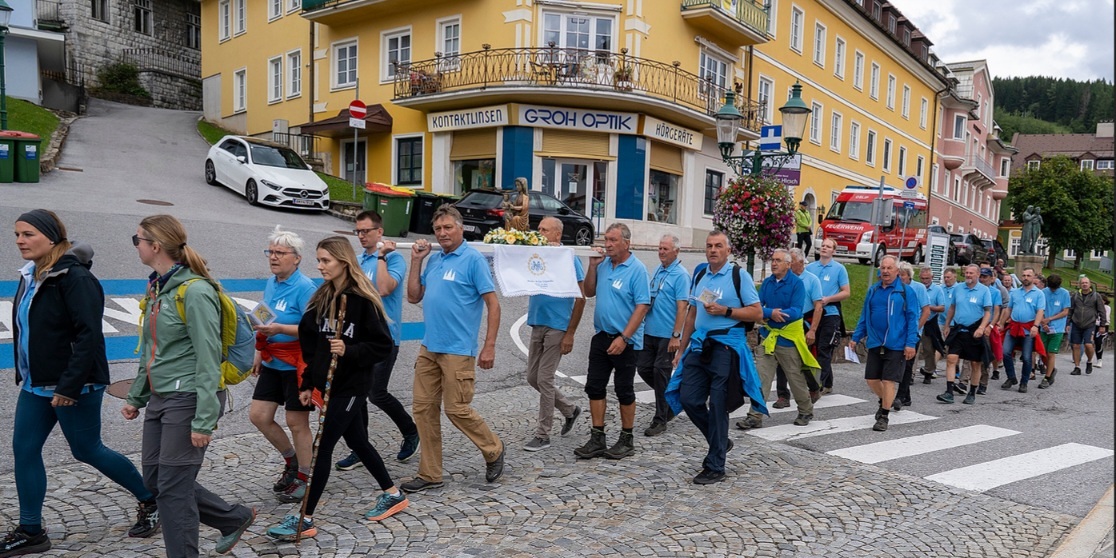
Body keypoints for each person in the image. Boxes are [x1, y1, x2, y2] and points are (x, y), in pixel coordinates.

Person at [3, 210, 160, 558]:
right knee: (24, 450)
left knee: (86, 449)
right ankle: (31, 531)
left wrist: (69, 386)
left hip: (75, 385)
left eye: (28, 234)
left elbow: (89, 337)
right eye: (17, 234)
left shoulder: (75, 278)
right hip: (37, 383)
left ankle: (151, 499)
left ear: (51, 237)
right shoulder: (31, 274)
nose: (20, 241)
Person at [121, 215, 254, 558]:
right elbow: (151, 349)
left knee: (173, 490)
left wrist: (204, 419)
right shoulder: (158, 288)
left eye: (137, 240)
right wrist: (137, 396)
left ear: (155, 246)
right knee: (155, 480)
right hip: (161, 396)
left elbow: (208, 357)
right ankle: (232, 518)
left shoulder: (194, 291)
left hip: (190, 397)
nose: (135, 246)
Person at [265, 236, 408, 541]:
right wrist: (308, 382)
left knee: (322, 448)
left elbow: (382, 346)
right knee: (357, 441)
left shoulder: (362, 300)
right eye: (319, 260)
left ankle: (304, 517)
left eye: (326, 260)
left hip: (353, 386)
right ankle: (393, 493)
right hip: (330, 385)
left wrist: (350, 350)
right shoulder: (322, 297)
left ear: (343, 262)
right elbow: (312, 344)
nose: (320, 266)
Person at [403, 204, 505, 492]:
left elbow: (493, 305)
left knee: (457, 409)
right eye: (438, 229)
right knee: (423, 409)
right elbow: (413, 297)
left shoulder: (473, 260)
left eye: (448, 227)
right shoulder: (435, 259)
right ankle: (430, 473)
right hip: (429, 347)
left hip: (458, 350)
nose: (442, 233)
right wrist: (416, 261)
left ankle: (494, 449)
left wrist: (489, 346)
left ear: (461, 229)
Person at [668, 230, 765, 484]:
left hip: (725, 347)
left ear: (728, 250)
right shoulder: (701, 274)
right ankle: (720, 440)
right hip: (700, 346)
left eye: (718, 246)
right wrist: (681, 349)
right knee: (688, 398)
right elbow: (692, 314)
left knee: (719, 404)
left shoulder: (738, 276)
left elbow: (757, 313)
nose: (713, 250)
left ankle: (715, 465)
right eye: (709, 245)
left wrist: (726, 311)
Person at [336, 211, 420, 470]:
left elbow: (384, 289)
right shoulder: (359, 260)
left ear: (379, 232)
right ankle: (360, 448)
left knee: (376, 393)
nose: (361, 236)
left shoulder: (394, 259)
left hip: (384, 337)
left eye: (366, 231)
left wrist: (382, 255)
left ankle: (410, 431)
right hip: (357, 338)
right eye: (358, 232)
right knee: (356, 393)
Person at [248, 226, 316, 504]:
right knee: (259, 416)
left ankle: (304, 477)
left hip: (297, 363)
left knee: (296, 422)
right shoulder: (272, 282)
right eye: (271, 252)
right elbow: (265, 316)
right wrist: (259, 349)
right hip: (273, 359)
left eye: (280, 253)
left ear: (296, 258)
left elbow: (314, 330)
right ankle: (291, 461)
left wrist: (281, 329)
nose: (273, 257)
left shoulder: (305, 288)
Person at [574, 223, 650, 460]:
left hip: (626, 340)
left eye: (613, 240)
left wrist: (625, 337)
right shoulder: (604, 264)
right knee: (594, 386)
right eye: (606, 239)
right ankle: (598, 437)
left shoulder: (637, 269)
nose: (607, 244)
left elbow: (642, 306)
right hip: (602, 336)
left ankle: (627, 439)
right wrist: (593, 267)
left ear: (626, 243)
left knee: (624, 389)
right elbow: (589, 291)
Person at [737, 248, 820, 429]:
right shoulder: (767, 283)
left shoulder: (797, 284)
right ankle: (755, 416)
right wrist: (770, 313)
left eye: (778, 260)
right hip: (768, 338)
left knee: (795, 378)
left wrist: (772, 314)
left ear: (788, 265)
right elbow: (757, 307)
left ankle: (805, 410)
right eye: (772, 260)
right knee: (761, 378)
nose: (773, 263)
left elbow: (796, 311)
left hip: (788, 339)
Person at [522, 217, 585, 451]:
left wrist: (570, 333)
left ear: (557, 234)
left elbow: (581, 298)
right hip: (537, 322)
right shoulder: (535, 254)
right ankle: (570, 409)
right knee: (532, 377)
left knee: (544, 379)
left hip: (558, 326)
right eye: (538, 229)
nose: (539, 233)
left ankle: (543, 434)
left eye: (545, 230)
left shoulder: (569, 257)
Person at [848, 255, 920, 431]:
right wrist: (856, 337)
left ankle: (884, 416)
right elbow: (865, 316)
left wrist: (910, 343)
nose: (886, 271)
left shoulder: (906, 292)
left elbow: (913, 319)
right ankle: (884, 400)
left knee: (889, 381)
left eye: (889, 268)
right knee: (871, 379)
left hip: (896, 343)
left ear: (897, 271)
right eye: (883, 268)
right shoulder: (873, 290)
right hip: (875, 342)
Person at [637, 234, 689, 437]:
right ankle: (674, 399)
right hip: (650, 331)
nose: (661, 252)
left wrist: (676, 335)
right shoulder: (659, 270)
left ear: (676, 251)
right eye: (660, 248)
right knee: (643, 368)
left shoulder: (681, 275)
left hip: (667, 334)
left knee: (660, 373)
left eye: (665, 249)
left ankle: (660, 419)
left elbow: (682, 307)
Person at [772, 248, 823, 408]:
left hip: (803, 322)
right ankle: (783, 395)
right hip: (784, 322)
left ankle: (813, 387)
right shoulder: (782, 280)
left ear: (800, 262)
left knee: (801, 359)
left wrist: (812, 330)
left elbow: (818, 307)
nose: (787, 264)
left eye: (791, 261)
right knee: (781, 359)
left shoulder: (812, 280)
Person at [938, 265, 992, 404]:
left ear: (978, 274)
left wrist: (982, 328)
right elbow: (952, 307)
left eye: (971, 273)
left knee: (975, 364)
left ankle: (972, 392)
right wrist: (947, 324)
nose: (968, 275)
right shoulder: (958, 288)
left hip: (974, 332)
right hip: (958, 329)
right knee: (951, 358)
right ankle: (949, 392)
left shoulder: (984, 290)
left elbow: (987, 312)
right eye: (966, 272)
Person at [805, 238, 851, 395]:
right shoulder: (810, 268)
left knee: (824, 348)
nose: (824, 248)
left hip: (830, 313)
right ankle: (828, 382)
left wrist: (829, 299)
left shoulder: (839, 269)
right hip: (812, 313)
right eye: (823, 245)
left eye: (828, 246)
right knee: (815, 347)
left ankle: (819, 384)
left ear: (834, 251)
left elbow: (846, 292)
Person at [998, 267, 1046, 393]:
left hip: (1028, 328)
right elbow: (1009, 309)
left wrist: (1036, 326)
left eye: (1028, 275)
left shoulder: (1039, 294)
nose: (1025, 278)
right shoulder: (1015, 292)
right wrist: (1001, 323)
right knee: (1005, 352)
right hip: (1014, 326)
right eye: (1024, 275)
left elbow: (1040, 311)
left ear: (1033, 277)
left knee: (1026, 357)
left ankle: (1024, 382)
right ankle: (1011, 377)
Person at [893, 263, 929, 410]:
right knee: (898, 363)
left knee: (907, 364)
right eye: (898, 275)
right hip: (897, 332)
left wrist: (915, 329)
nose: (900, 277)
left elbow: (926, 311)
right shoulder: (894, 288)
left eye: (902, 275)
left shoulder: (918, 288)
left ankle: (900, 396)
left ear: (909, 275)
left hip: (913, 332)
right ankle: (906, 396)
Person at [1068, 277, 1107, 376]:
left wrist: (1102, 325)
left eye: (1086, 283)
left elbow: (1102, 311)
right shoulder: (1075, 296)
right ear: (1080, 285)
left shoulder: (1096, 296)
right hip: (1076, 323)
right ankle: (1077, 367)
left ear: (1090, 284)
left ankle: (1089, 361)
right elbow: (1071, 310)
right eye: (1082, 283)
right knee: (1076, 345)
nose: (1084, 284)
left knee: (1088, 345)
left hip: (1090, 324)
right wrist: (1067, 323)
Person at [1037, 274, 1070, 385]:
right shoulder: (1043, 292)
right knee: (1043, 353)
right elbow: (1039, 308)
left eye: (1054, 288)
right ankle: (1051, 369)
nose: (1052, 290)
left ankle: (1047, 377)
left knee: (1051, 353)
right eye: (1051, 288)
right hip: (1044, 327)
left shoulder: (1065, 293)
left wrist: (1050, 319)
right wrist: (1043, 322)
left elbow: (1065, 312)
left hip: (1057, 328)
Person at [919, 267, 946, 385]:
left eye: (927, 278)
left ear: (932, 278)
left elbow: (942, 307)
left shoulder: (937, 290)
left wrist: (927, 307)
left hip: (930, 322)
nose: (925, 281)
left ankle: (929, 371)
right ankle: (910, 374)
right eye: (923, 278)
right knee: (913, 348)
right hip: (916, 321)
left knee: (929, 349)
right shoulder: (917, 288)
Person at [1095, 295, 1110, 367]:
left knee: (1099, 342)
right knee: (1090, 342)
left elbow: (1105, 317)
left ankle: (1099, 360)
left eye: (1102, 300)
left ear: (1105, 301)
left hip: (1103, 326)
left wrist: (1101, 325)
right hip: (1093, 326)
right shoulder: (1094, 307)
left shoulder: (1107, 308)